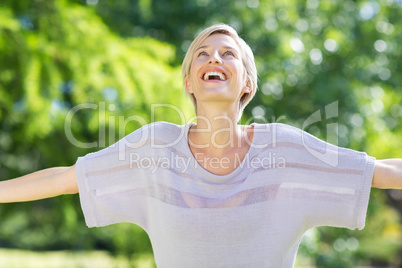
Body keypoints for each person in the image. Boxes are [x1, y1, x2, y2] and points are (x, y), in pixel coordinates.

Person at [0, 24, 401, 267]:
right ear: (190, 81)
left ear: (246, 82)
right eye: (202, 54)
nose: (215, 57)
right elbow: (70, 177)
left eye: (228, 54)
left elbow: (380, 172)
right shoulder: (155, 148)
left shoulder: (283, 151)